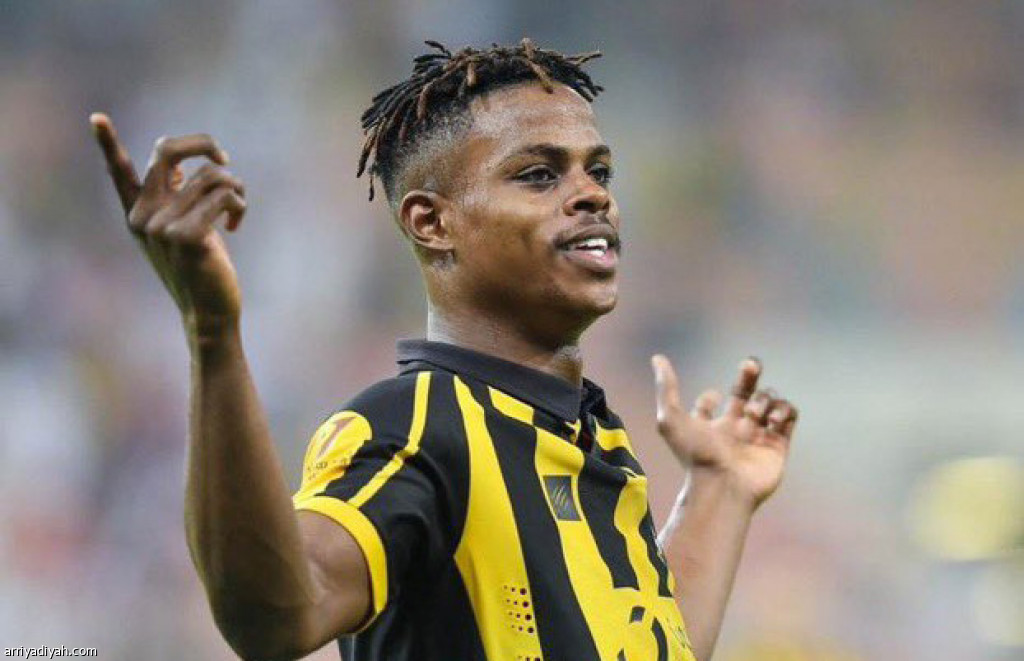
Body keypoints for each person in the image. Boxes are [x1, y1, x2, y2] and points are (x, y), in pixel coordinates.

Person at [90, 39, 798, 661]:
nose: (592, 196)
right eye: (539, 174)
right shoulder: (418, 425)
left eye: (600, 172)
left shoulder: (591, 437)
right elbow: (278, 615)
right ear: (432, 222)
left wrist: (720, 490)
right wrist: (213, 333)